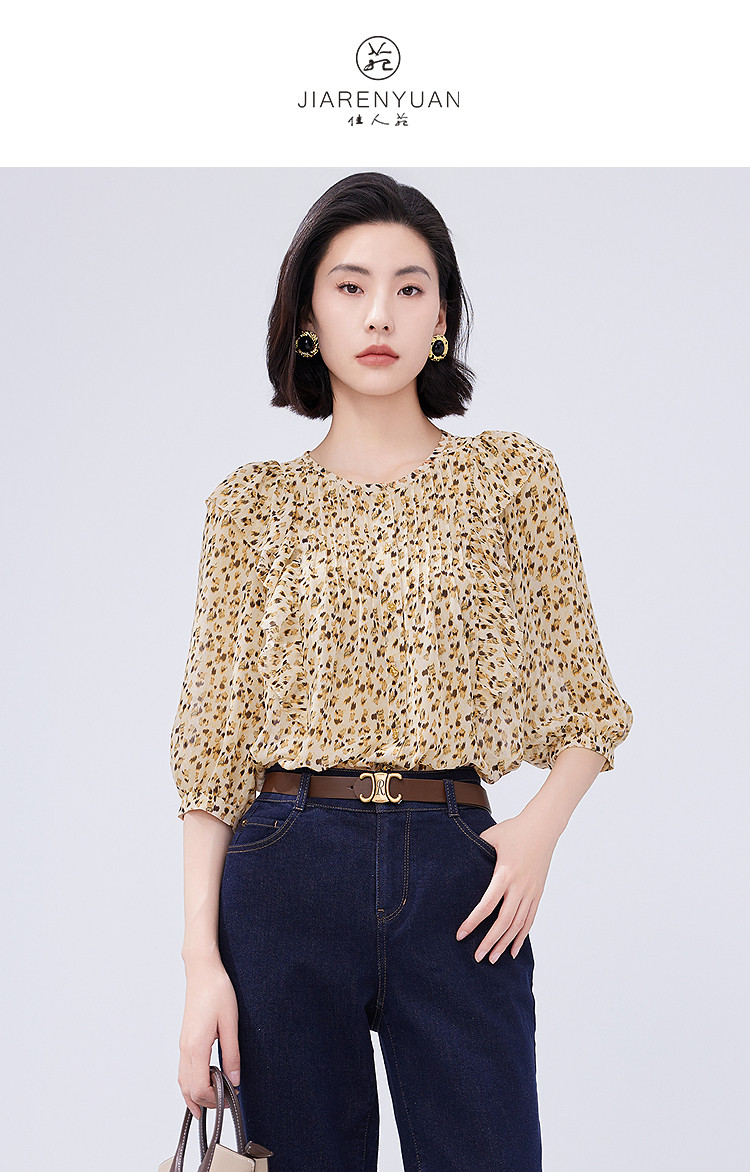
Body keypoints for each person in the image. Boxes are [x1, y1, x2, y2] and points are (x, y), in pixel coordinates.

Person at [169, 171, 634, 1172]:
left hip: (460, 867)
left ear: (443, 318)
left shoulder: (510, 479)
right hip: (286, 862)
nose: (380, 312)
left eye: (410, 287)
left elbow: (592, 705)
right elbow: (211, 750)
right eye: (350, 286)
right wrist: (202, 963)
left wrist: (536, 835)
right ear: (308, 316)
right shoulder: (251, 506)